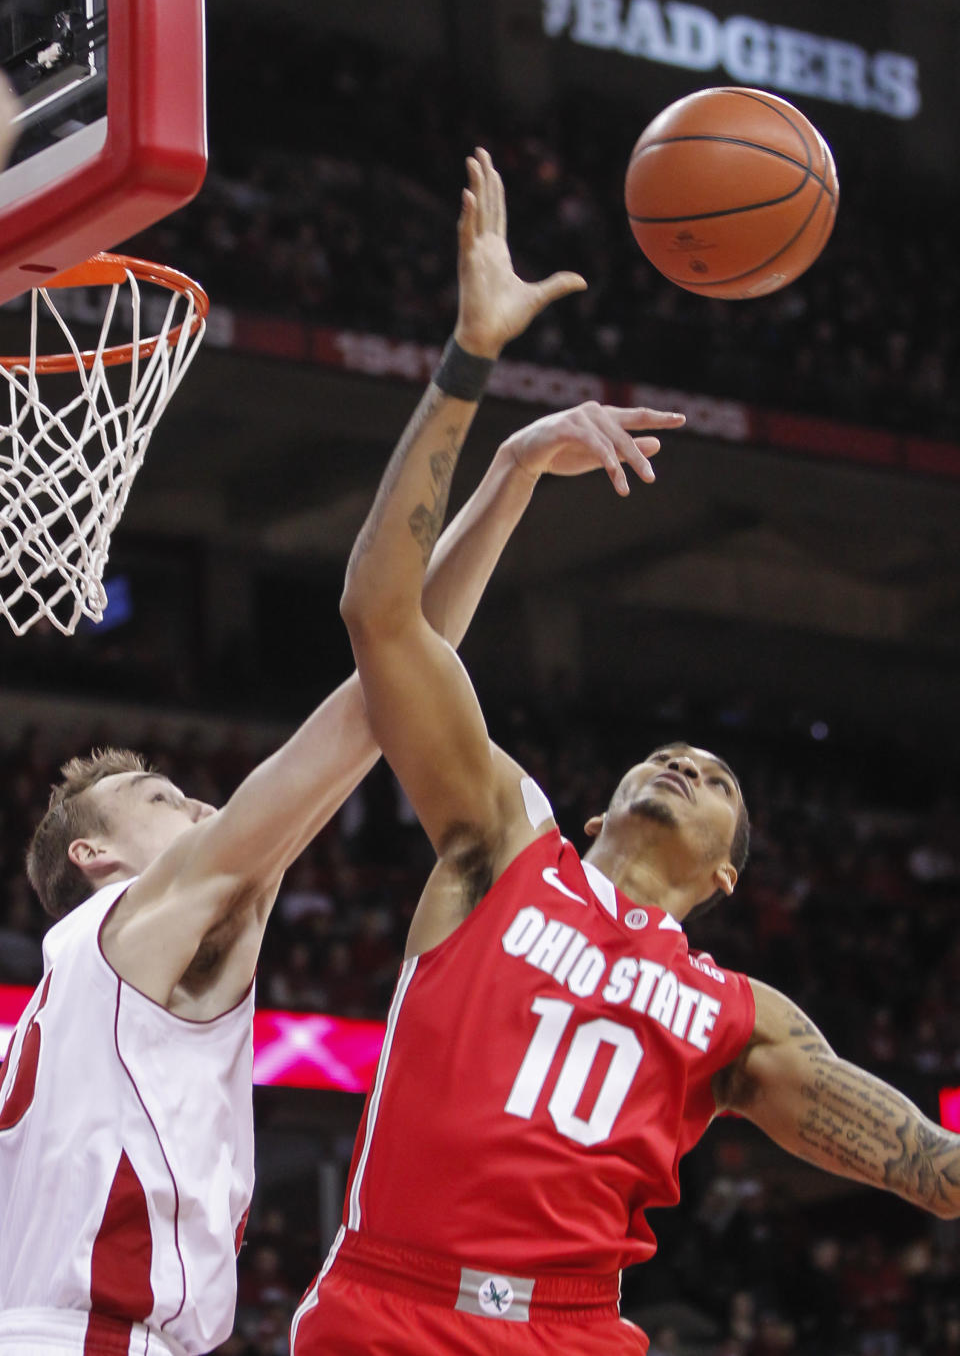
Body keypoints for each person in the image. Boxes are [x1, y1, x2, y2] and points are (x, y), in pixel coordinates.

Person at [291, 148, 960, 1354]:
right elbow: (382, 615)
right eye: (669, 755)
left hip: (573, 1331)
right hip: (391, 1306)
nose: (686, 765)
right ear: (598, 806)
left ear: (727, 877)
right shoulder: (504, 844)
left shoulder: (736, 1016)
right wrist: (471, 374)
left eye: (718, 779)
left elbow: (936, 1168)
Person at [0, 255, 637, 1352]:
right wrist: (500, 442)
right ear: (99, 855)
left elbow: (394, 670)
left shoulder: (71, 999)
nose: (203, 799)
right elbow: (381, 671)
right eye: (162, 793)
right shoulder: (138, 921)